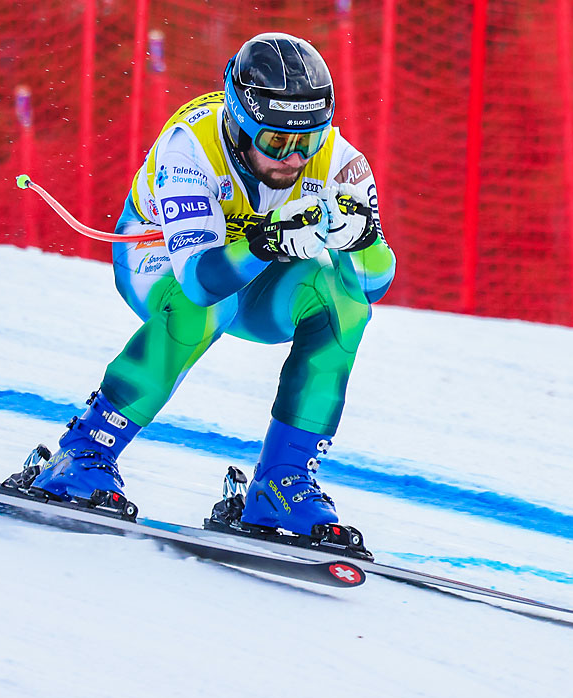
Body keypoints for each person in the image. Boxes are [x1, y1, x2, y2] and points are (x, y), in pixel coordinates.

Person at [21, 32, 396, 537]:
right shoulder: (190, 145)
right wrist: (268, 240)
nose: (294, 157)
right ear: (240, 126)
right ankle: (84, 451)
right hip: (157, 262)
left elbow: (370, 287)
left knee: (342, 306)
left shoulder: (340, 161)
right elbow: (199, 282)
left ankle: (281, 483)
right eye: (276, 142)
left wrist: (363, 240)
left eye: (307, 141)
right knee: (209, 307)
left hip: (255, 272)